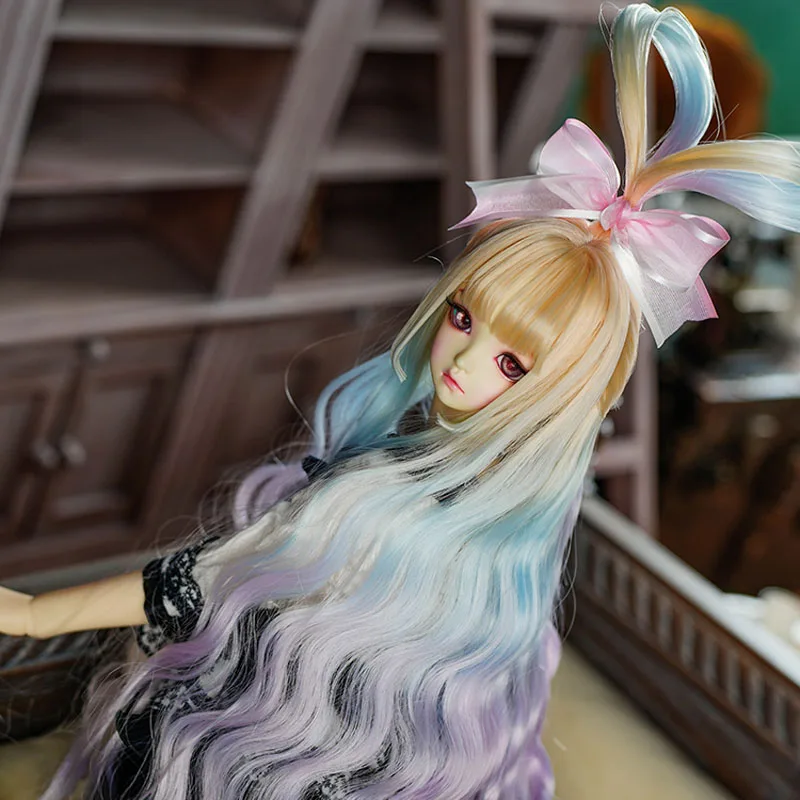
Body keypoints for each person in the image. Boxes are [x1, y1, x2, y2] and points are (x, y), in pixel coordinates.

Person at [3, 4, 800, 798]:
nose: (464, 360)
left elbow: (200, 583)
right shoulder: (508, 561)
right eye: (463, 317)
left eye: (513, 364)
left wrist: (37, 618)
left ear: (559, 400)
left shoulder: (390, 509)